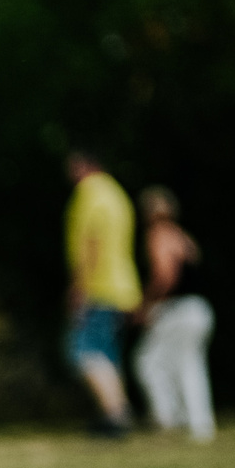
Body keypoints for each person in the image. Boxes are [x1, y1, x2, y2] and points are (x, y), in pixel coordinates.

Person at [63, 151, 141, 437]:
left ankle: (115, 414)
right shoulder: (117, 194)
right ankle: (118, 410)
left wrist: (79, 286)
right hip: (123, 286)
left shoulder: (90, 193)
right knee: (107, 353)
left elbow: (91, 241)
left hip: (100, 286)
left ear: (84, 166)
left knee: (84, 350)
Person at [133, 186, 214, 442]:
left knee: (147, 363)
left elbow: (164, 275)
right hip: (200, 309)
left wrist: (145, 305)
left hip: (177, 310)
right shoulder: (183, 237)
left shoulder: (158, 235)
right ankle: (200, 424)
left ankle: (167, 418)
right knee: (190, 365)